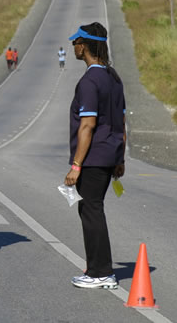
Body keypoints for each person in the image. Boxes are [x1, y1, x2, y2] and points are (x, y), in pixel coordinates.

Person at [64, 22, 125, 289]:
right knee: (92, 209)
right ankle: (99, 269)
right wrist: (120, 158)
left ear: (85, 45)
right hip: (110, 154)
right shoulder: (113, 77)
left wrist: (76, 165)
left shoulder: (90, 81)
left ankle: (100, 273)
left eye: (76, 42)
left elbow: (87, 125)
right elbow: (121, 122)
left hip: (93, 157)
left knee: (91, 210)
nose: (74, 46)